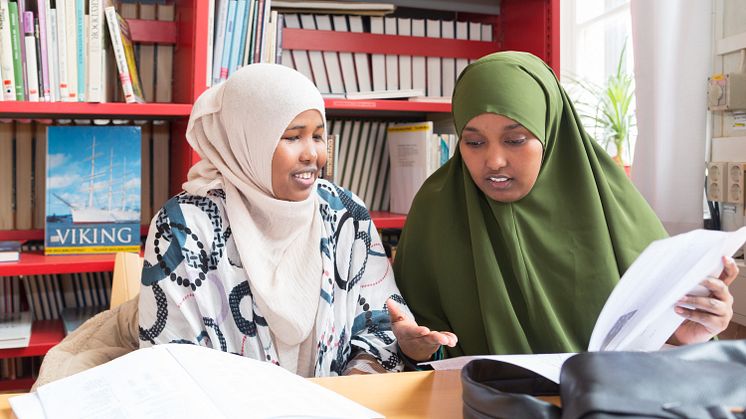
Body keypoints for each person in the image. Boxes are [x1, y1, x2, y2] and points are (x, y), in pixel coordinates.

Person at [393, 51, 738, 357]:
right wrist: (413, 348)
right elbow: (415, 343)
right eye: (474, 142)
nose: (494, 160)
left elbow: (667, 340)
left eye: (515, 140)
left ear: (551, 130)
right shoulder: (435, 209)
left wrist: (694, 332)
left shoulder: (612, 207)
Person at [137, 63, 456, 376]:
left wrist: (377, 364)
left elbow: (381, 327)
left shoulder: (345, 213)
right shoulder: (185, 225)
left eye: (318, 136)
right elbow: (169, 363)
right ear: (247, 140)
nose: (312, 155)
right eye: (292, 137)